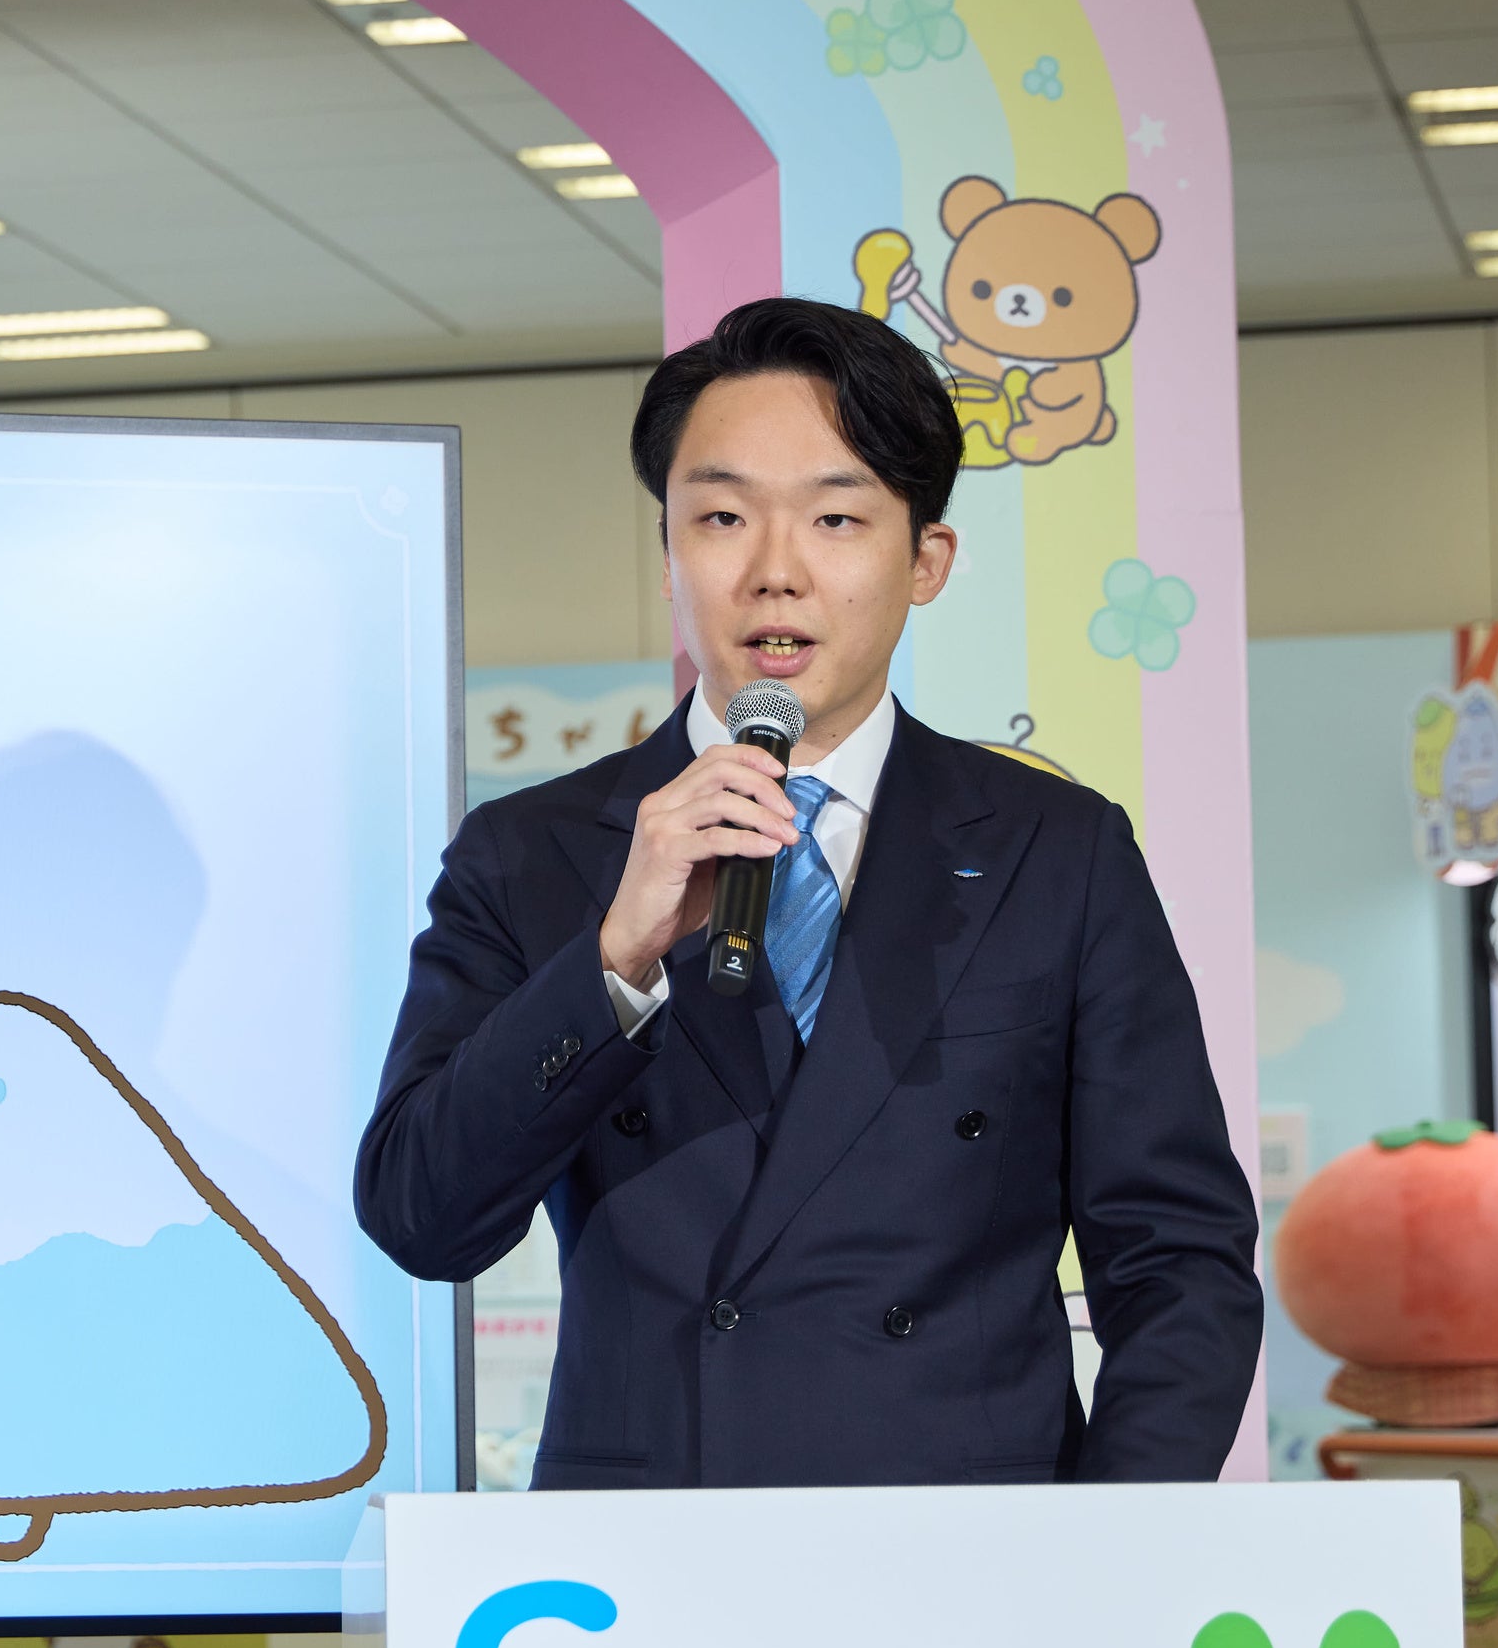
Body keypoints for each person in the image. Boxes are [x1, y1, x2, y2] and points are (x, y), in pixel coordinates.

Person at [355, 297, 1256, 1486]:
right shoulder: (531, 852)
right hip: (652, 1551)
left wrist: (1107, 1543)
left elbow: (1178, 1256)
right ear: (669, 552)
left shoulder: (1056, 849)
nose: (774, 574)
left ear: (925, 561)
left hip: (970, 1543)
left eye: (836, 518)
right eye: (722, 518)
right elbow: (422, 1218)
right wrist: (614, 962)